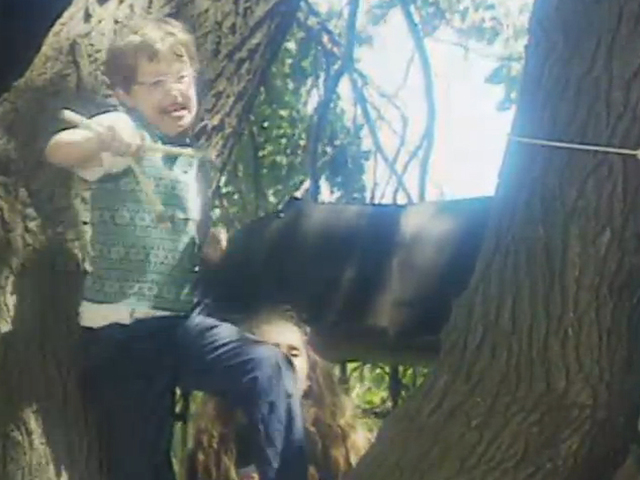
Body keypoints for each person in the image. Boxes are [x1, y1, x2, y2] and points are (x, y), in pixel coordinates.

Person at [44, 16, 307, 480]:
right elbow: (57, 150)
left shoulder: (190, 162)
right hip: (123, 334)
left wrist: (205, 248)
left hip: (180, 322)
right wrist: (101, 136)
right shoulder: (122, 133)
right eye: (157, 83)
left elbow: (173, 233)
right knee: (139, 466)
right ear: (126, 95)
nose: (175, 91)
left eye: (182, 78)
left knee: (266, 365)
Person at [186, 307, 372, 480]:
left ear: (309, 376)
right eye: (270, 351)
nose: (283, 361)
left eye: (293, 353)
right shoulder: (214, 442)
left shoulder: (338, 442)